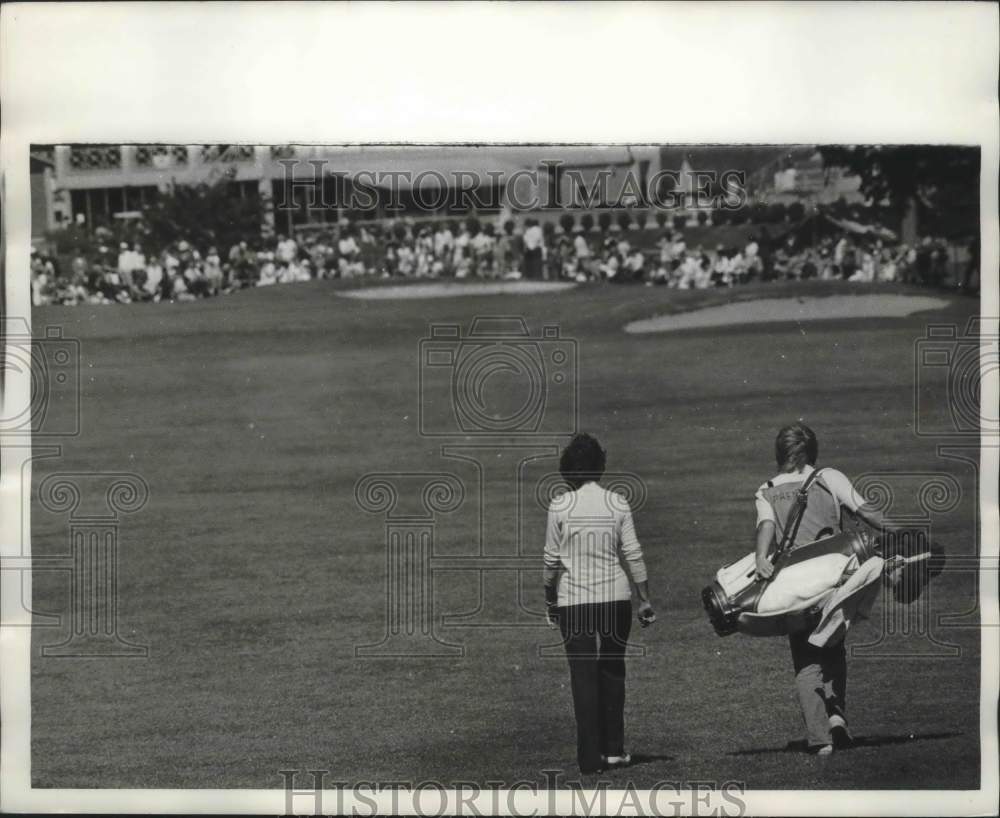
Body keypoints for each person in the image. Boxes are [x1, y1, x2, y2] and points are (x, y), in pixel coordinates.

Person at [752, 423, 894, 756]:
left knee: (805, 659)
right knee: (833, 647)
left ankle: (820, 739)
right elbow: (865, 511)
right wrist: (900, 529)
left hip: (798, 587)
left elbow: (766, 526)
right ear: (812, 451)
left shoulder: (767, 489)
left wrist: (761, 556)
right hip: (838, 579)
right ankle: (837, 720)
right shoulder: (830, 478)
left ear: (780, 453)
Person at [544, 433, 655, 774]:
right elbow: (633, 554)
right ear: (600, 466)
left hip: (574, 600)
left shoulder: (559, 506)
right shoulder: (618, 502)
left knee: (583, 676)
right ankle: (614, 751)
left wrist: (549, 598)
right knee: (612, 671)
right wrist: (645, 599)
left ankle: (590, 758)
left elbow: (551, 560)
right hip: (615, 597)